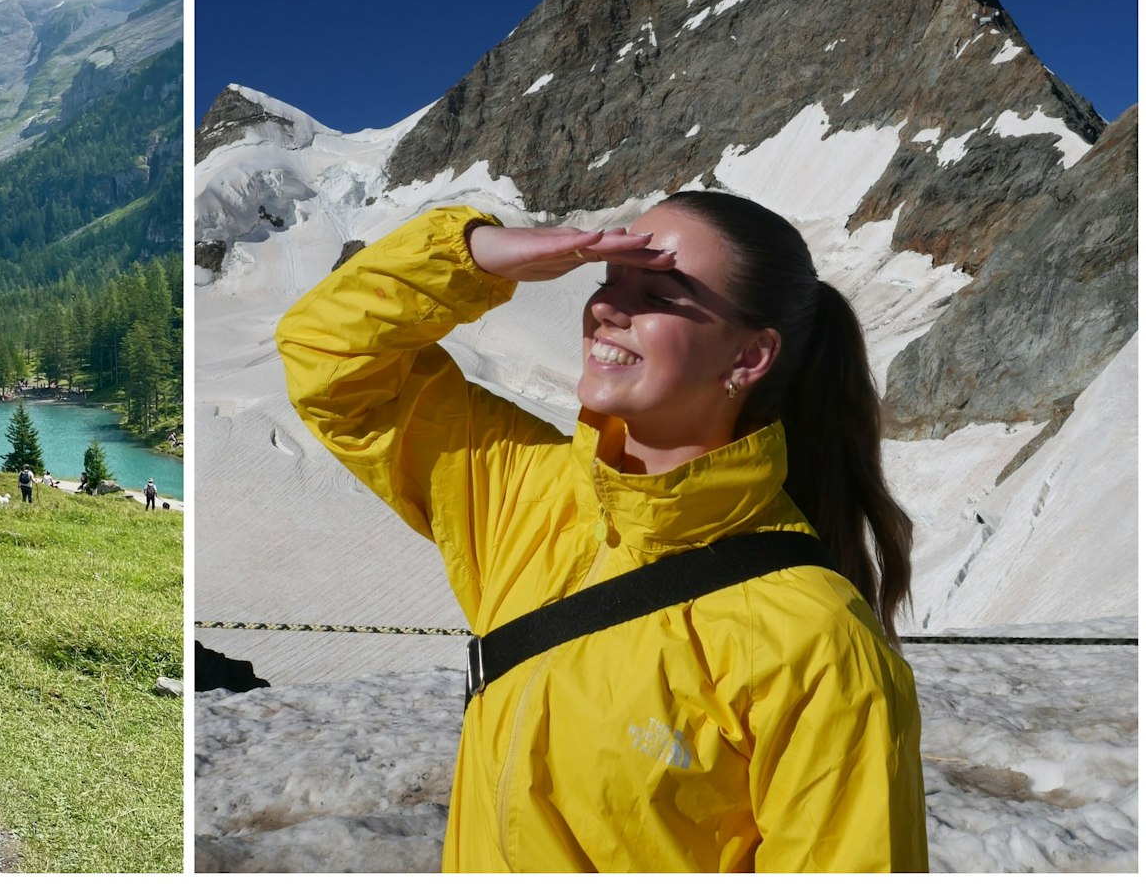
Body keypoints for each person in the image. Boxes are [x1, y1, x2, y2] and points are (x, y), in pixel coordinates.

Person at [276, 194, 926, 872]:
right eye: (608, 279)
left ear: (750, 355)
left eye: (660, 293)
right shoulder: (526, 491)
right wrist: (472, 256)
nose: (609, 308)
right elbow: (327, 355)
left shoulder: (817, 641)